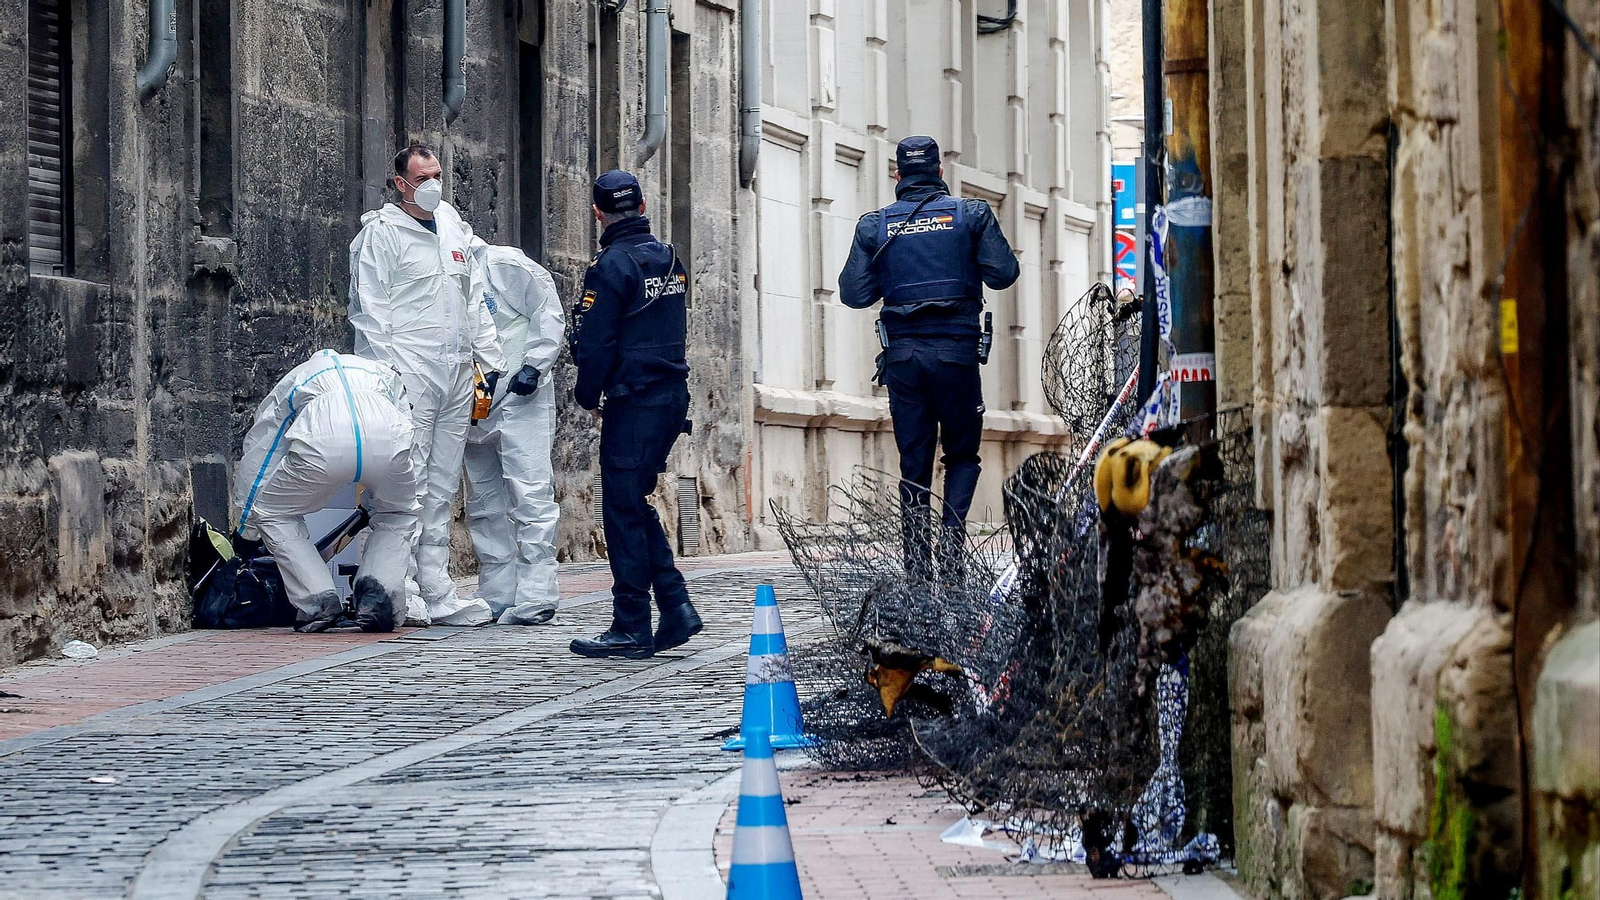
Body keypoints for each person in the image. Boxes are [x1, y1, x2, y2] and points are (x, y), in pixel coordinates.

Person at [837, 136, 1020, 579]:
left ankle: (918, 571)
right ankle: (953, 558)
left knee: (913, 464)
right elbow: (1004, 273)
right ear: (941, 171)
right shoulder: (970, 215)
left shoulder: (874, 226)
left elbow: (854, 294)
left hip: (904, 360)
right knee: (962, 456)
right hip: (956, 356)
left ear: (897, 176)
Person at [348, 144, 507, 627]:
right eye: (424, 176)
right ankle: (402, 587)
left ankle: (437, 587)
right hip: (411, 369)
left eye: (437, 173)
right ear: (401, 183)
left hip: (457, 369)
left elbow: (472, 295)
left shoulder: (453, 228)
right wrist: (386, 375)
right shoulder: (382, 234)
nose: (434, 183)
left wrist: (490, 357)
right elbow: (370, 309)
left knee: (441, 483)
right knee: (406, 481)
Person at [567, 170, 703, 659]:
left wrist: (587, 395)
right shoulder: (669, 258)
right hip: (671, 397)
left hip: (636, 401)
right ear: (643, 207)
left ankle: (631, 625)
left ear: (598, 213)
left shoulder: (610, 267)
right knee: (633, 501)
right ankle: (675, 605)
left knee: (622, 509)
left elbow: (597, 343)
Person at [234, 350, 419, 633]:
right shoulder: (383, 374)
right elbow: (405, 427)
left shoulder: (296, 379)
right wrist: (383, 495)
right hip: (388, 444)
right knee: (398, 513)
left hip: (322, 446)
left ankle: (318, 600)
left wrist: (247, 528)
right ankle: (377, 593)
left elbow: (263, 452)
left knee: (272, 514)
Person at [462, 239, 564, 625]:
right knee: (484, 499)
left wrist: (536, 364)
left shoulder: (500, 264)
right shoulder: (436, 276)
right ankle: (498, 592)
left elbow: (546, 307)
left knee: (529, 490)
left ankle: (537, 592)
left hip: (522, 394)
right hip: (473, 400)